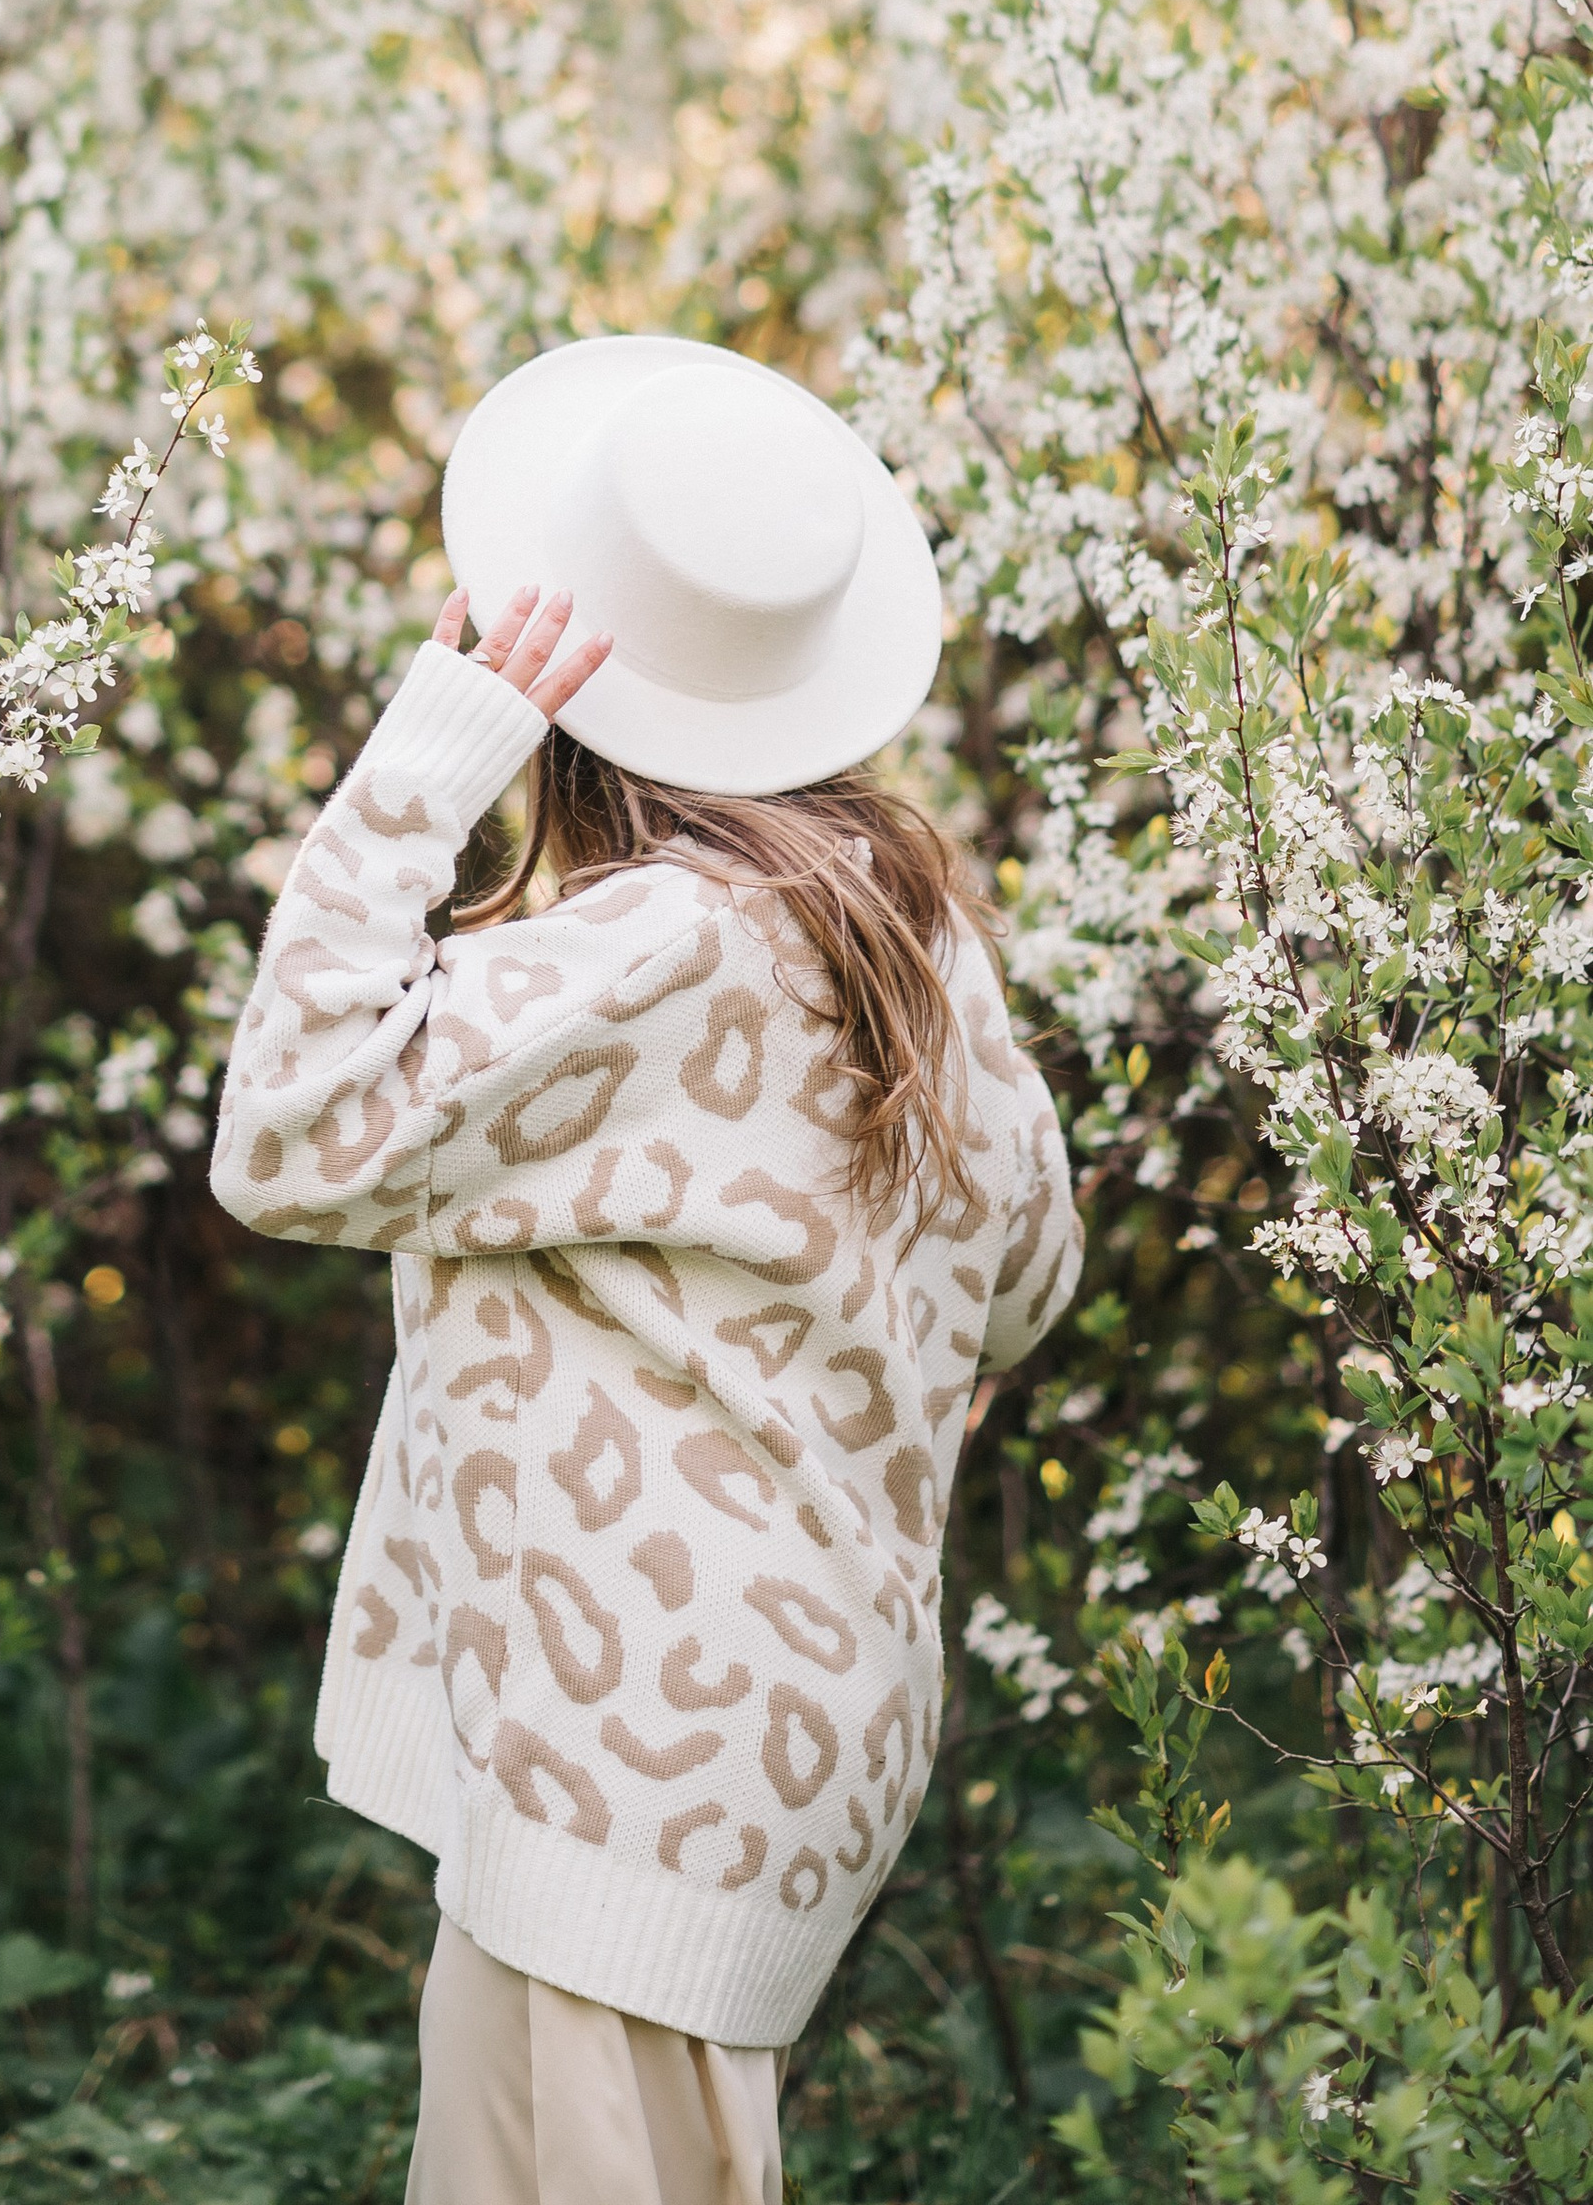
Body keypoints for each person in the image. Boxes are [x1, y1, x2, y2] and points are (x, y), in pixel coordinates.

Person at [211, 336, 1081, 2205]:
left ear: (574, 691)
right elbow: (1030, 1274)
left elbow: (286, 1128)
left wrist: (428, 758)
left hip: (637, 1771)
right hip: (748, 1743)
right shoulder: (908, 939)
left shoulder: (658, 951)